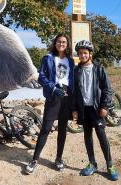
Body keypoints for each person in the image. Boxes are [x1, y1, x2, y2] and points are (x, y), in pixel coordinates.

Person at [24, 34, 75, 174]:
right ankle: (34, 160)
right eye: (59, 41)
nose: (61, 44)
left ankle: (58, 159)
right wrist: (53, 88)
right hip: (54, 95)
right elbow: (41, 76)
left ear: (67, 44)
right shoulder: (48, 58)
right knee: (46, 128)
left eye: (64, 42)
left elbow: (72, 79)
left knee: (63, 129)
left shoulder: (70, 61)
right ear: (55, 43)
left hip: (67, 97)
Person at [71, 40, 119, 181]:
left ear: (90, 54)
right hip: (83, 109)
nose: (82, 55)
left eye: (85, 53)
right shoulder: (76, 70)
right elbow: (74, 92)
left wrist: (104, 106)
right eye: (80, 53)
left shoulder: (99, 69)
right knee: (87, 136)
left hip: (96, 109)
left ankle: (110, 164)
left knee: (101, 135)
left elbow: (107, 89)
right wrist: (74, 109)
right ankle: (92, 163)